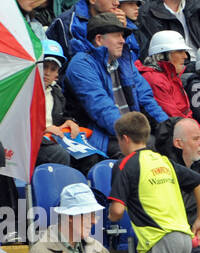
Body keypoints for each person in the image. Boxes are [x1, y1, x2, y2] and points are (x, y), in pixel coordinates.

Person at [107, 111, 200, 253]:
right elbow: (199, 181)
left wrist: (109, 216)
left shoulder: (125, 164)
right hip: (183, 240)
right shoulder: (162, 160)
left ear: (125, 138)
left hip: (160, 240)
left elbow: (117, 211)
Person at [65, 14, 168, 154]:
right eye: (117, 36)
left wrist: (167, 127)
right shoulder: (81, 65)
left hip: (129, 131)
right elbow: (101, 108)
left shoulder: (124, 62)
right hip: (101, 136)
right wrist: (134, 134)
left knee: (171, 141)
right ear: (99, 39)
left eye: (123, 36)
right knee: (151, 147)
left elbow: (146, 99)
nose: (123, 41)